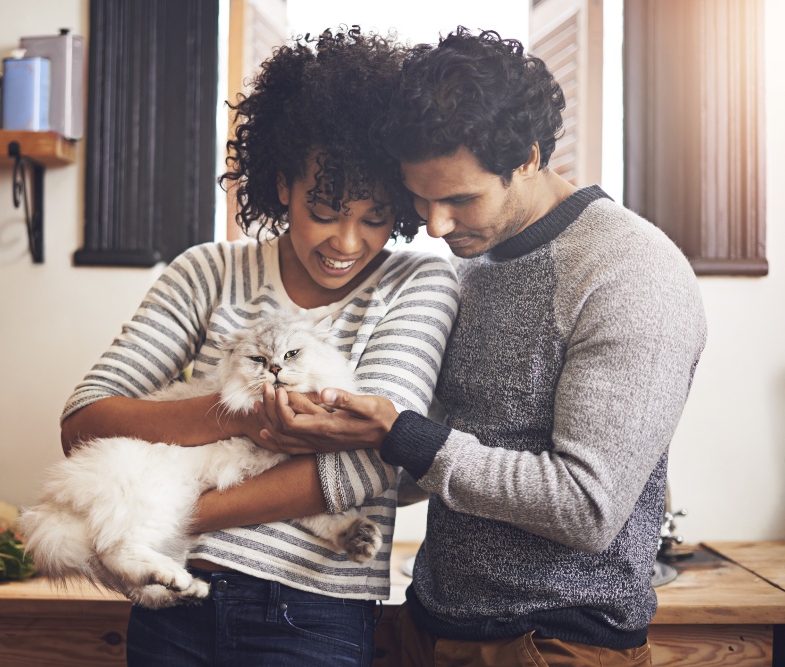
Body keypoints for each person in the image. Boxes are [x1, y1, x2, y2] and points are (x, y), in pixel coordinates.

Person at [256, 27, 708, 667]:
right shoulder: (468, 265)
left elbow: (587, 507)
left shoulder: (632, 271)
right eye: (420, 198)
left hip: (555, 644)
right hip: (429, 624)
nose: (436, 226)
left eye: (459, 199)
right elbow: (454, 457)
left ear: (526, 156)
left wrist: (401, 434)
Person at [59, 28, 459, 667]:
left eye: (375, 217)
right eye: (323, 209)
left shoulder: (418, 283)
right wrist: (240, 415)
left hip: (310, 612)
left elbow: (378, 458)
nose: (347, 242)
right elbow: (84, 423)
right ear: (281, 185)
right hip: (174, 603)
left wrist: (166, 520)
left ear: (404, 210)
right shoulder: (206, 272)